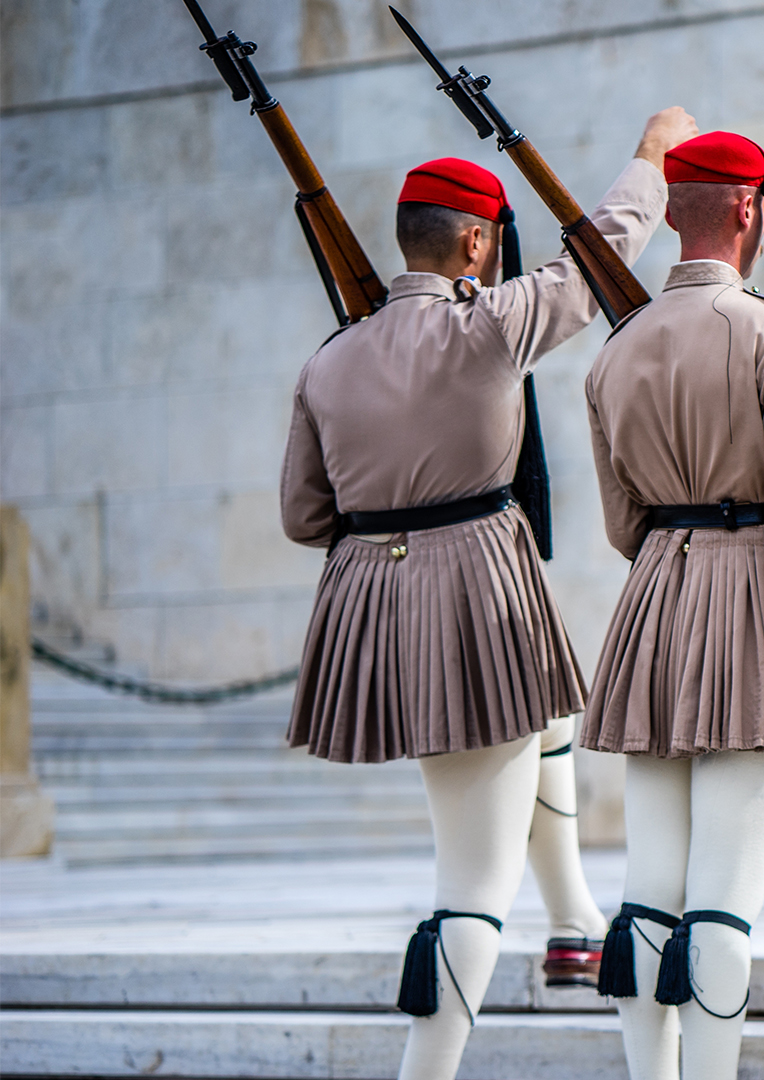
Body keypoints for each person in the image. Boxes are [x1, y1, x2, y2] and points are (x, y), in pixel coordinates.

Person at [278, 107, 699, 1080]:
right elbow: (601, 254)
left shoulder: (328, 362)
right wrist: (650, 157)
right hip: (473, 591)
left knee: (543, 719)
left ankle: (572, 921)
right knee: (472, 882)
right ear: (476, 244)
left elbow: (306, 515)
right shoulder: (491, 327)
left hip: (372, 606)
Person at [577, 130, 764, 1080]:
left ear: (669, 214)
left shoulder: (616, 349)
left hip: (656, 602)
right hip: (754, 597)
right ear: (750, 209)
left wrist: (679, 555)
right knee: (722, 906)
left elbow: (622, 522)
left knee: (648, 896)